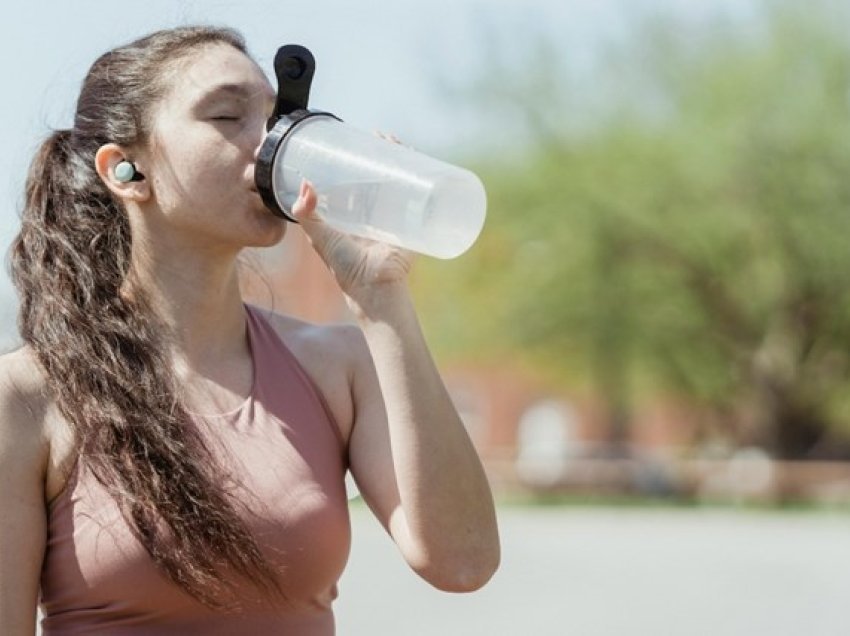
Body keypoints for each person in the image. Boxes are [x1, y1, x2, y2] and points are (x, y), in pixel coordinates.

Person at [0, 26, 500, 635]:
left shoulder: (337, 365)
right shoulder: (27, 397)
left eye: (276, 114)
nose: (270, 144)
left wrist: (383, 301)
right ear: (127, 171)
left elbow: (463, 561)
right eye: (227, 116)